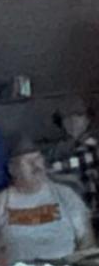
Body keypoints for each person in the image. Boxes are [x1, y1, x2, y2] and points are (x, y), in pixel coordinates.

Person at [0, 134, 95, 266]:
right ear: (12, 169)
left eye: (38, 159)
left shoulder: (65, 195)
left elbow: (86, 241)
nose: (36, 165)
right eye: (28, 161)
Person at [48, 95, 99, 224]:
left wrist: (44, 170)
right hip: (79, 214)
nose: (72, 121)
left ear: (88, 119)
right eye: (67, 117)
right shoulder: (64, 146)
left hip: (93, 215)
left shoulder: (92, 143)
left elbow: (74, 164)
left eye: (78, 115)